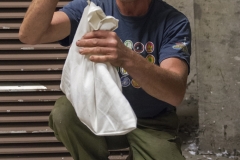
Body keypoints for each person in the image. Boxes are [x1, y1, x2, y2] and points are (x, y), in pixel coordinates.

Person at [19, 0, 191, 159]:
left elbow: (175, 93)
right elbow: (30, 36)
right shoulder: (90, 9)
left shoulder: (173, 21)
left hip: (152, 122)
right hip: (100, 114)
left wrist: (127, 58)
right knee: (64, 112)